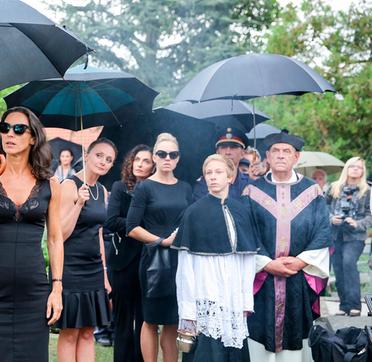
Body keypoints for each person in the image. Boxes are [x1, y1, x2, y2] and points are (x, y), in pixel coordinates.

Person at [0, 106, 63, 362]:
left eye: (19, 129)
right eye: (5, 128)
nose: (10, 133)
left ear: (33, 137)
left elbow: (54, 239)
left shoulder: (50, 184)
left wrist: (57, 288)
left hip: (34, 291)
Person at [242, 131, 330, 361]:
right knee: (259, 337)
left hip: (297, 279)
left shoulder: (313, 192)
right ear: (267, 157)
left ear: (296, 157)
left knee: (296, 339)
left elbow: (323, 231)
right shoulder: (252, 192)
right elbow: (246, 232)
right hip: (262, 278)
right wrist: (267, 263)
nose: (281, 155)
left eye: (287, 151)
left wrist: (301, 261)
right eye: (276, 151)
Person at [173, 154, 258, 362]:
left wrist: (246, 300)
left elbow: (247, 260)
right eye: (208, 173)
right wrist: (188, 311)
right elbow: (185, 267)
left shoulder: (242, 211)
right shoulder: (193, 213)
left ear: (230, 176)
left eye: (218, 172)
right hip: (205, 293)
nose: (213, 177)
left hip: (233, 296)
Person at [126, 133, 193, 362]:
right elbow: (132, 227)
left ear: (178, 159)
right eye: (162, 153)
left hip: (180, 262)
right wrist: (161, 240)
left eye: (172, 154)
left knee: (173, 321)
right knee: (151, 319)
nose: (167, 158)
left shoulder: (185, 188)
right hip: (154, 261)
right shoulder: (145, 188)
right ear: (154, 156)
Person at [56, 138, 116, 361]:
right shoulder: (69, 185)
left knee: (88, 331)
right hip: (70, 267)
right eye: (99, 155)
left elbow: (98, 232)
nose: (103, 162)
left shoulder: (102, 191)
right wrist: (78, 204)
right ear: (87, 155)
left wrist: (104, 273)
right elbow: (59, 234)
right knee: (70, 332)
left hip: (93, 269)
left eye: (109, 160)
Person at [104, 144, 154, 362]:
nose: (140, 165)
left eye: (146, 161)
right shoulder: (120, 187)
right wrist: (138, 225)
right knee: (123, 319)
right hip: (122, 261)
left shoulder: (155, 190)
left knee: (145, 319)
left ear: (153, 166)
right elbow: (111, 221)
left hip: (147, 261)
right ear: (131, 162)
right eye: (137, 160)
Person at [325, 157, 371, 316]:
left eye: (359, 167)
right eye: (352, 166)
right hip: (335, 233)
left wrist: (357, 223)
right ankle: (344, 306)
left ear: (363, 171)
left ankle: (355, 306)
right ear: (347, 168)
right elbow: (322, 208)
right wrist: (331, 218)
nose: (355, 169)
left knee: (349, 263)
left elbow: (369, 215)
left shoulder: (367, 190)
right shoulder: (334, 187)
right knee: (338, 268)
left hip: (355, 236)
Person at [193, 127, 250, 200]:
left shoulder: (250, 184)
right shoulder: (205, 183)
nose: (228, 152)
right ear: (217, 152)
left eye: (233, 147)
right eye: (223, 147)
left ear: (243, 153)